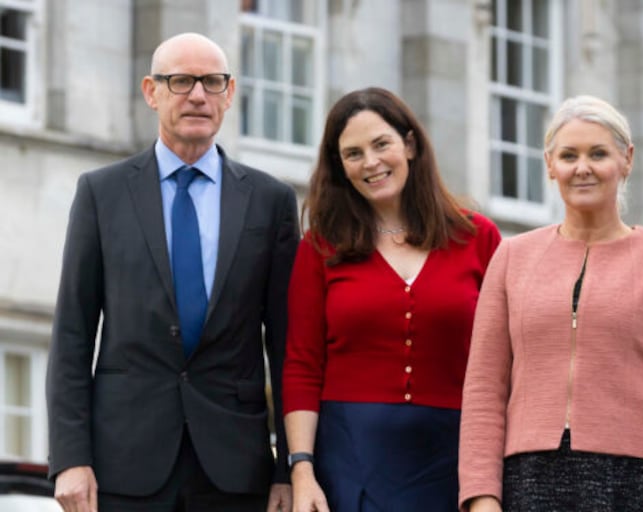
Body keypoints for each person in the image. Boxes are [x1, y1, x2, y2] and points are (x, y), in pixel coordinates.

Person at [46, 33, 297, 512]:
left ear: (230, 93)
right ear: (151, 91)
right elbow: (72, 334)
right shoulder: (102, 193)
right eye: (181, 81)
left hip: (236, 472)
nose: (198, 95)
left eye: (212, 82)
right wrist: (70, 458)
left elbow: (287, 346)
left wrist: (289, 468)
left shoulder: (271, 201)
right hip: (123, 468)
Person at [459, 95, 643, 512]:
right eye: (568, 155)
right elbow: (484, 388)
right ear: (549, 164)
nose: (582, 168)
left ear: (627, 160)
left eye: (598, 154)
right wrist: (481, 496)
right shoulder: (511, 257)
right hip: (528, 479)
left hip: (631, 482)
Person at [283, 87, 501, 512]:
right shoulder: (321, 248)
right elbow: (302, 364)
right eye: (353, 153)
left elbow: (505, 364)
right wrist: (302, 470)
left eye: (381, 144)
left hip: (456, 458)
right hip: (350, 458)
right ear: (339, 166)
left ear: (410, 145)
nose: (371, 162)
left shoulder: (479, 239)